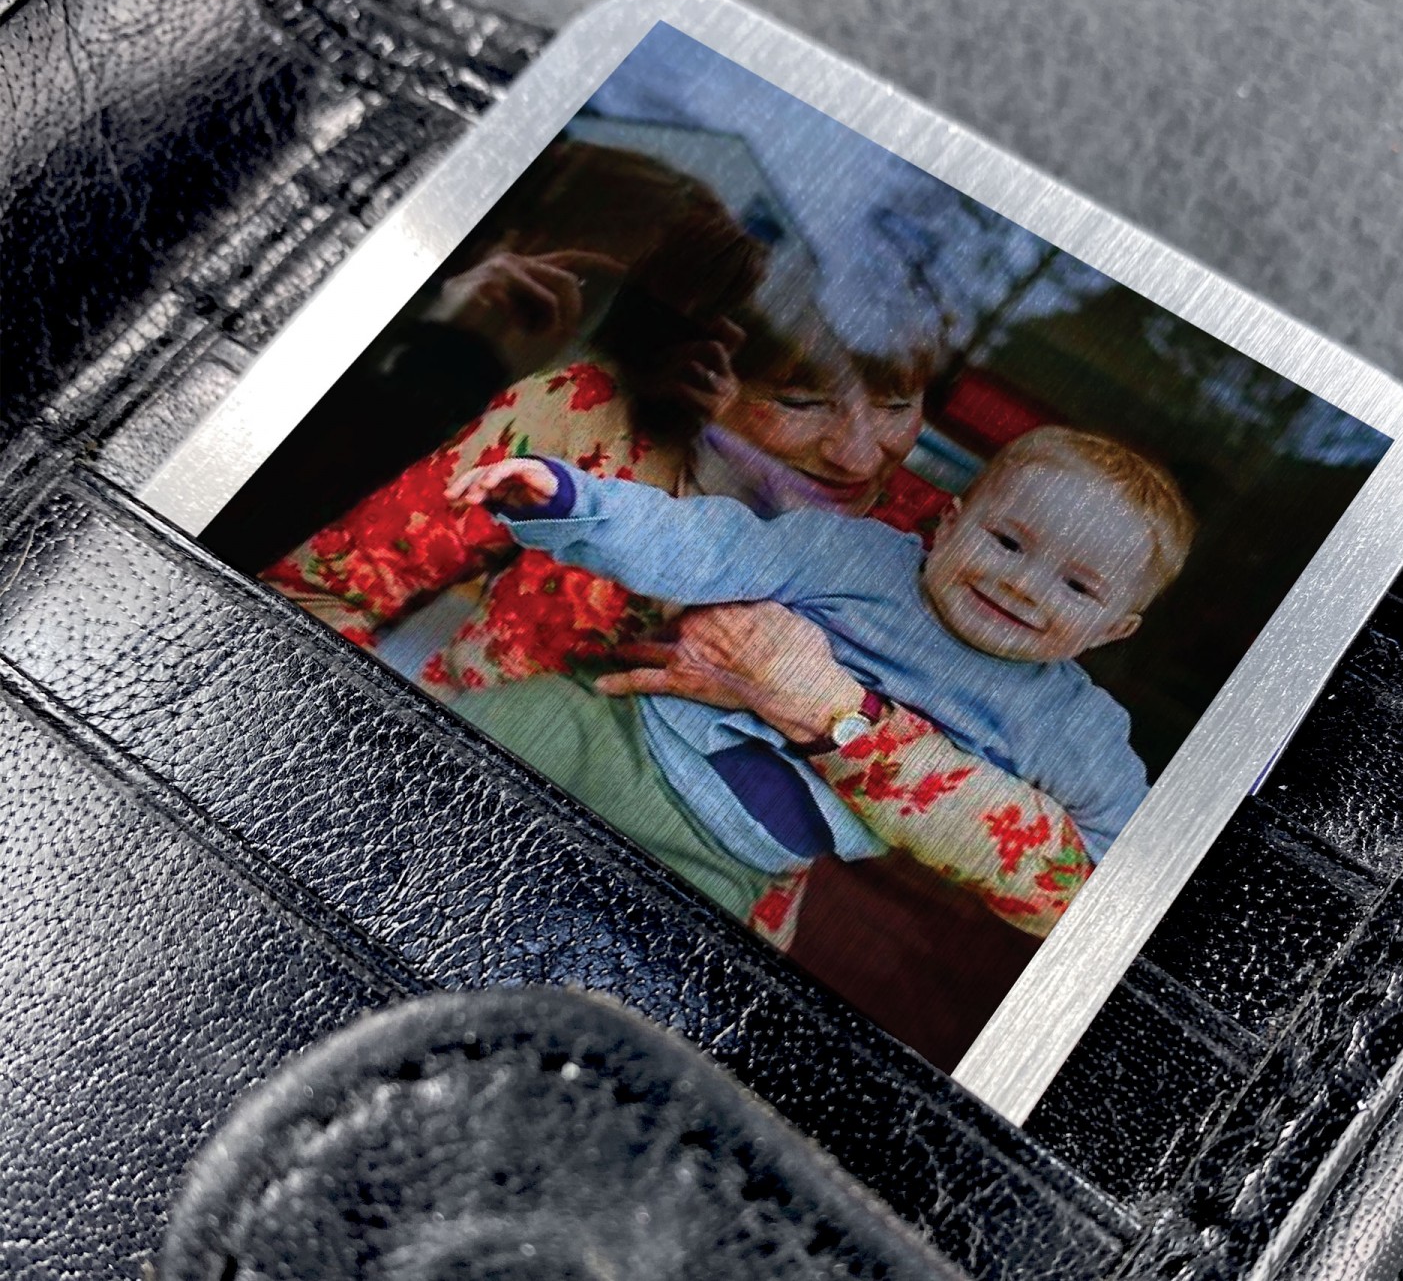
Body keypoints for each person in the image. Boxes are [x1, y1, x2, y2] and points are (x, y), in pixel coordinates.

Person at [263, 278, 1098, 947]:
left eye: (894, 404)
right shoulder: (588, 420)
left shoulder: (946, 546)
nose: (857, 452)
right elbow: (323, 593)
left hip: (681, 911)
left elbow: (1074, 897)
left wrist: (830, 713)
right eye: (801, 400)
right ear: (710, 367)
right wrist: (351, 785)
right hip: (466, 796)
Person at [443, 428, 1196, 922]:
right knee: (453, 757)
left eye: (1079, 587)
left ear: (1114, 630)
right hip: (609, 736)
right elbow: (704, 545)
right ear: (950, 523)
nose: (1023, 585)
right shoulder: (852, 556)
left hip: (722, 859)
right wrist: (575, 501)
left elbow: (1129, 863)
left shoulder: (1071, 723)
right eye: (1007, 541)